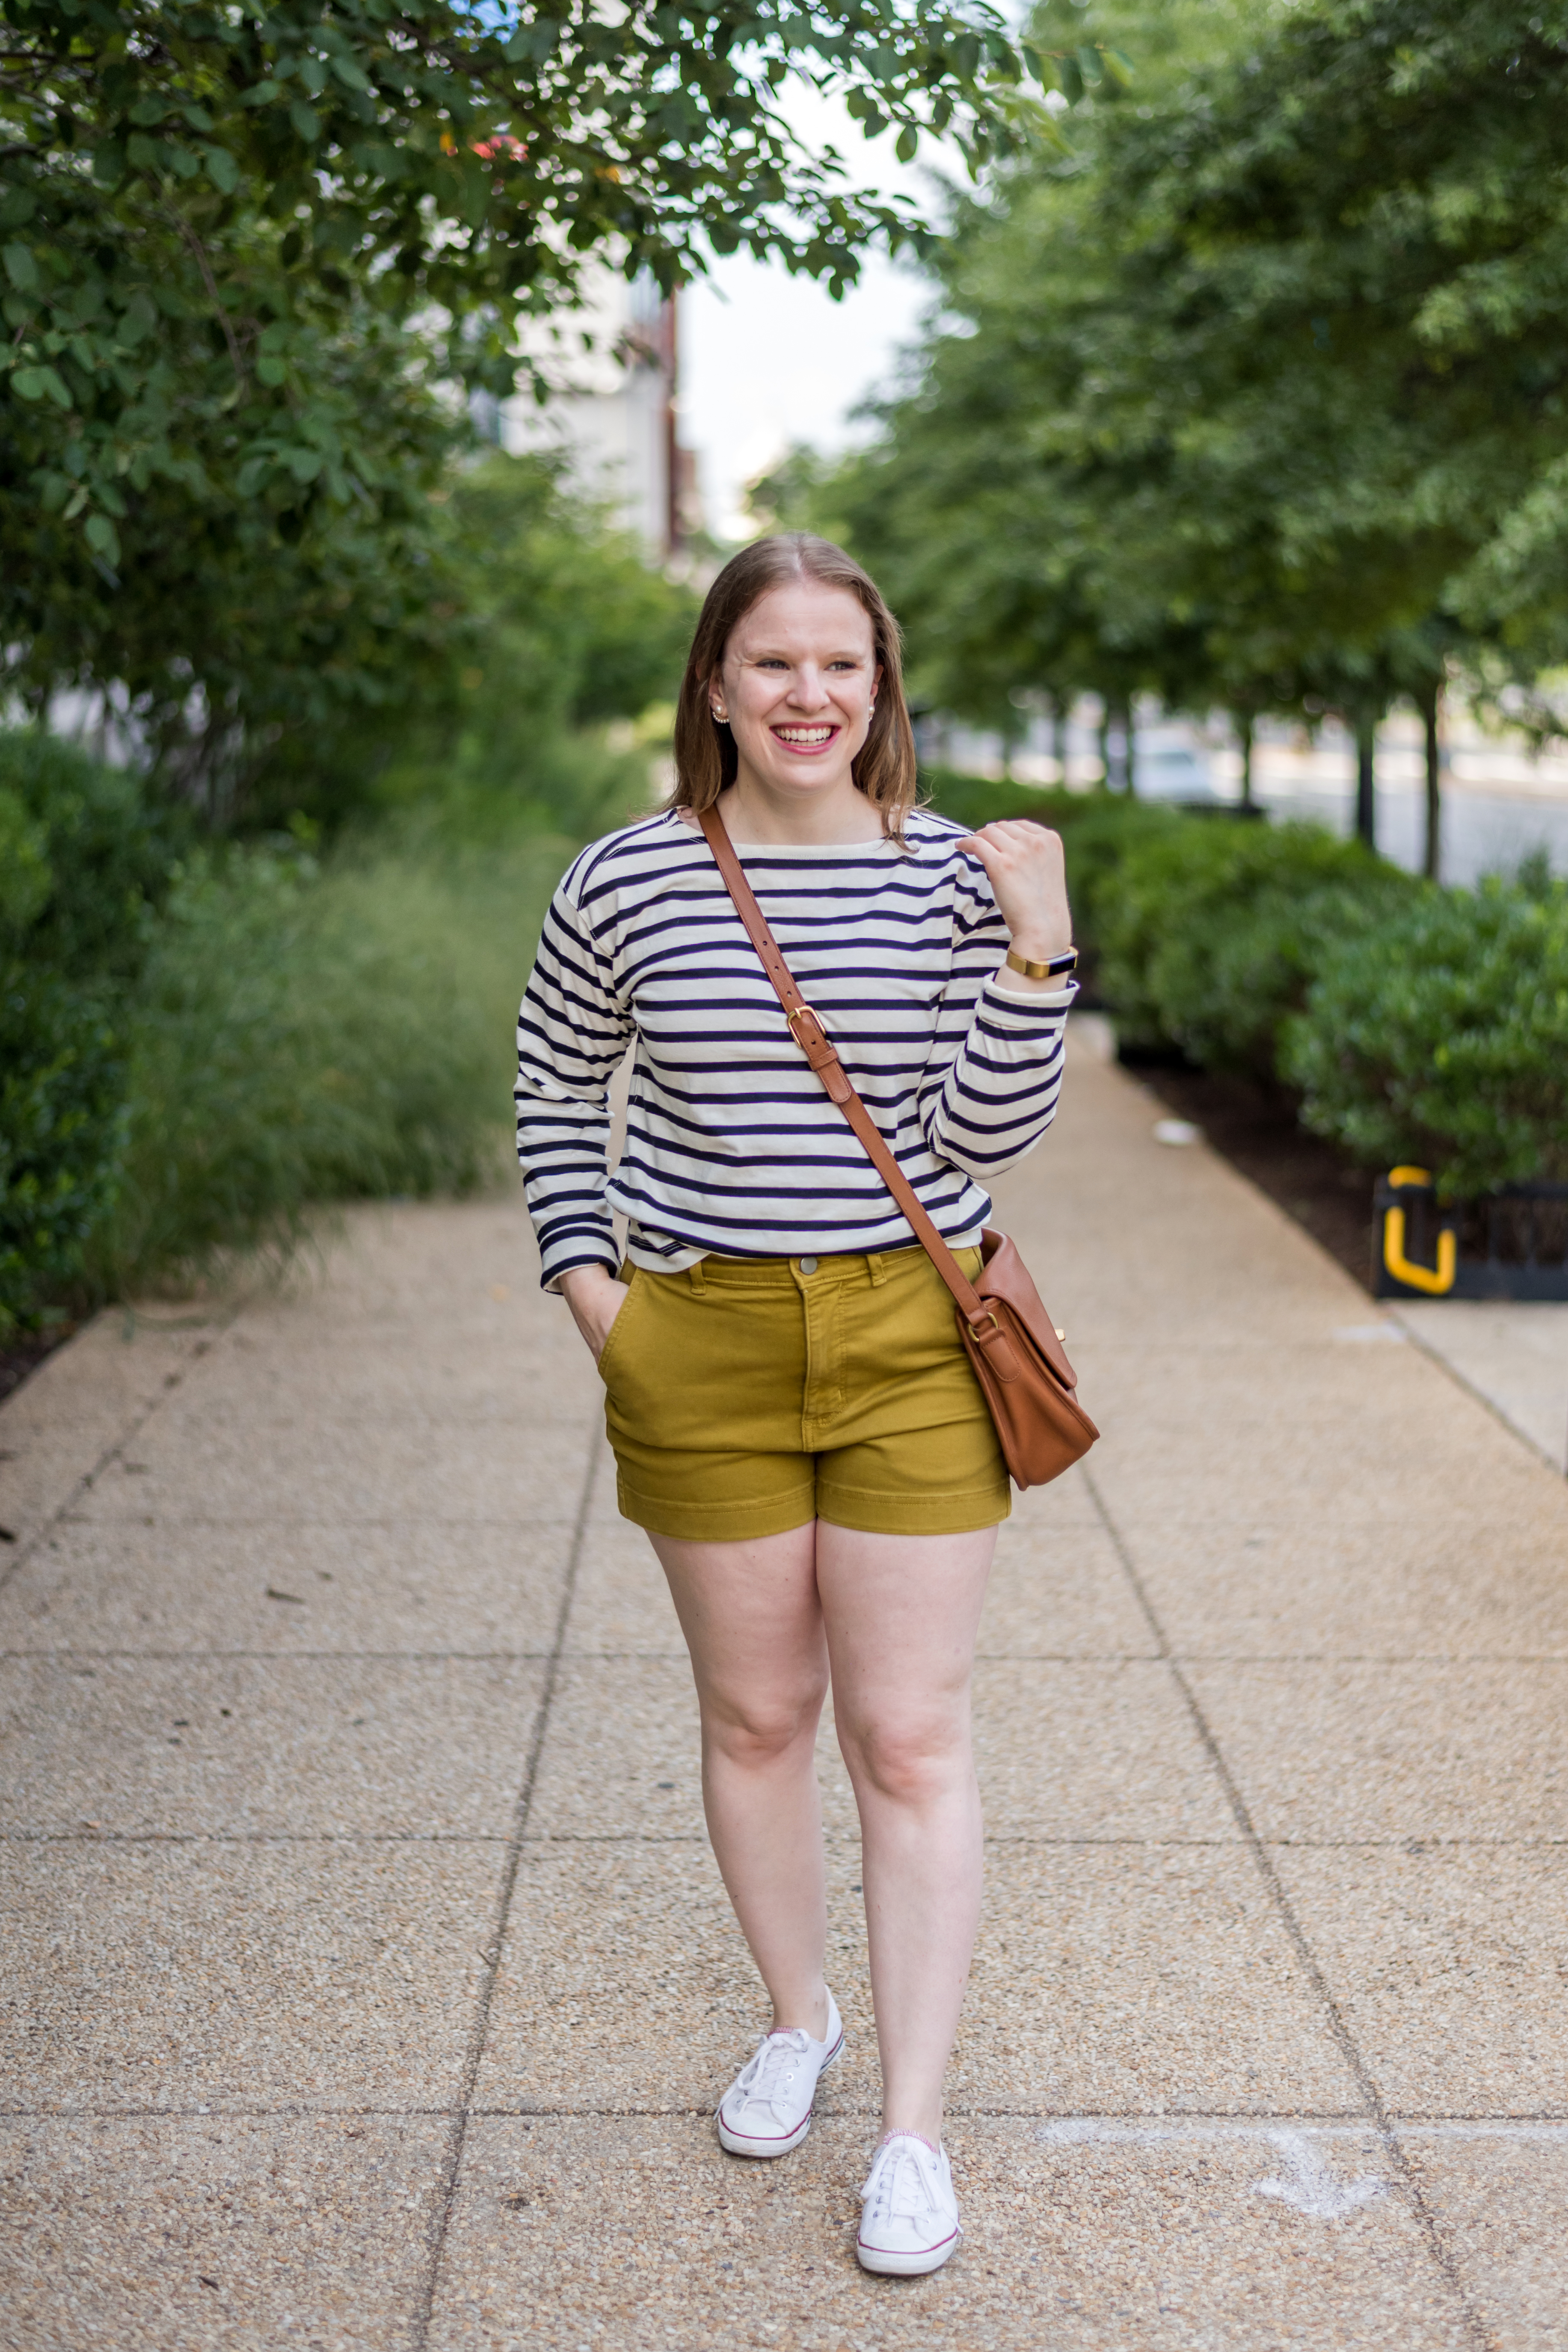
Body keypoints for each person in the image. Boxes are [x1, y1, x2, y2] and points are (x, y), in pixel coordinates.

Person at [515, 534, 1075, 2275]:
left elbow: (980, 1143)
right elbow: (552, 1090)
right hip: (703, 1342)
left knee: (906, 1733)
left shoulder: (948, 874)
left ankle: (912, 2128)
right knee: (755, 1715)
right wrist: (609, 1313)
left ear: (880, 687)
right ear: (715, 684)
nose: (810, 694)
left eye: (842, 664)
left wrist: (1036, 945)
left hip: (914, 1336)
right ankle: (794, 2014)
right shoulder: (626, 879)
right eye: (773, 663)